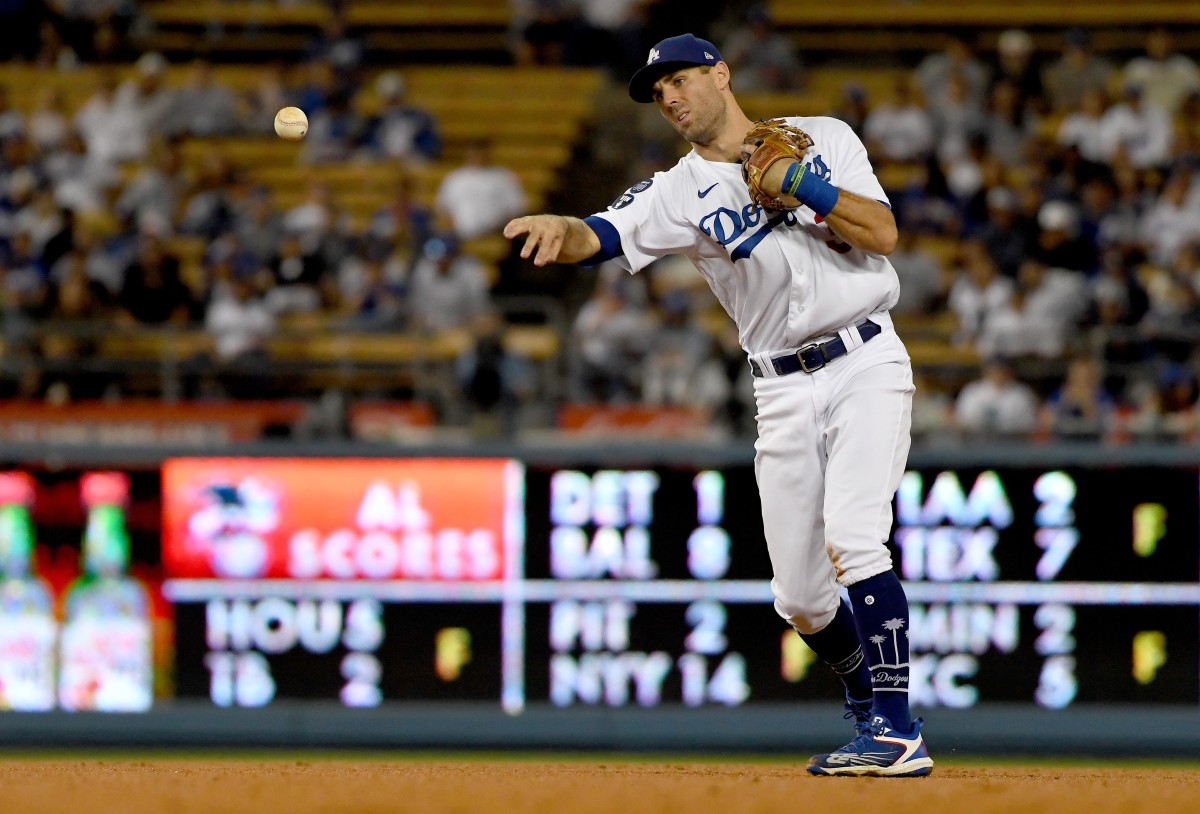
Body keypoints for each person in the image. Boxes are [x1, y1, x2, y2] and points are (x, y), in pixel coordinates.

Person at [504, 33, 932, 777]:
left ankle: (896, 733)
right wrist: (560, 229)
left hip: (866, 358)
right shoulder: (676, 191)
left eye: (678, 80)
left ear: (721, 74)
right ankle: (872, 709)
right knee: (800, 600)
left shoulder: (824, 138)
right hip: (780, 386)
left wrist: (804, 184)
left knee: (856, 538)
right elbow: (599, 235)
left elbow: (884, 233)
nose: (669, 97)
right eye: (656, 90)